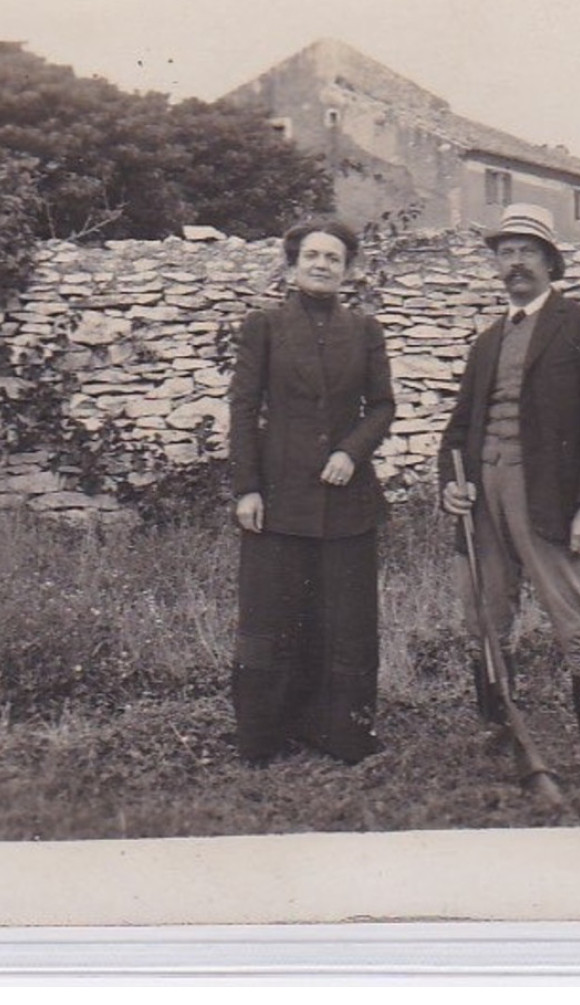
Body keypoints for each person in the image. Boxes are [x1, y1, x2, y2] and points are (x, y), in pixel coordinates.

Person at [437, 203, 580, 799]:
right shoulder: (488, 340)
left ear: (550, 260)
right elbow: (457, 428)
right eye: (505, 251)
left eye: (527, 251)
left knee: (576, 623)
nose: (515, 262)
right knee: (486, 619)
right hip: (482, 499)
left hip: (546, 496)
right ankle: (503, 735)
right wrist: (451, 480)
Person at [226, 219, 396, 765]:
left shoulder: (366, 331)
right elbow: (244, 409)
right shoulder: (265, 326)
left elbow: (384, 406)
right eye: (312, 256)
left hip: (347, 501)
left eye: (334, 258)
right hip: (278, 499)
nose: (322, 265)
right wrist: (248, 489)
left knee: (346, 621)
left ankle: (342, 734)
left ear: (349, 270)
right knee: (273, 616)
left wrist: (352, 451)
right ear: (293, 264)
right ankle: (265, 737)